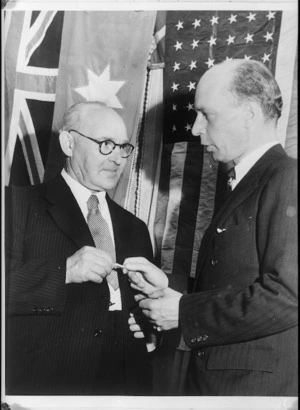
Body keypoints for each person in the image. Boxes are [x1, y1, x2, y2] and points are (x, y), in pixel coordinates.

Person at [123, 59, 298, 396]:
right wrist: (172, 286)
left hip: (250, 390)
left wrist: (184, 312)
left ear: (249, 114)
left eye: (207, 115)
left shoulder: (286, 178)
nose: (195, 128)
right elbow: (235, 282)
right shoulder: (250, 181)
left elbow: (289, 296)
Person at [5, 101, 155, 395]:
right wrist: (65, 271)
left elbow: (145, 310)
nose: (117, 159)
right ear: (69, 143)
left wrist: (152, 328)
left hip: (125, 388)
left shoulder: (135, 227)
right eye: (105, 144)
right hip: (47, 387)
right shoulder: (15, 205)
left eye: (124, 147)